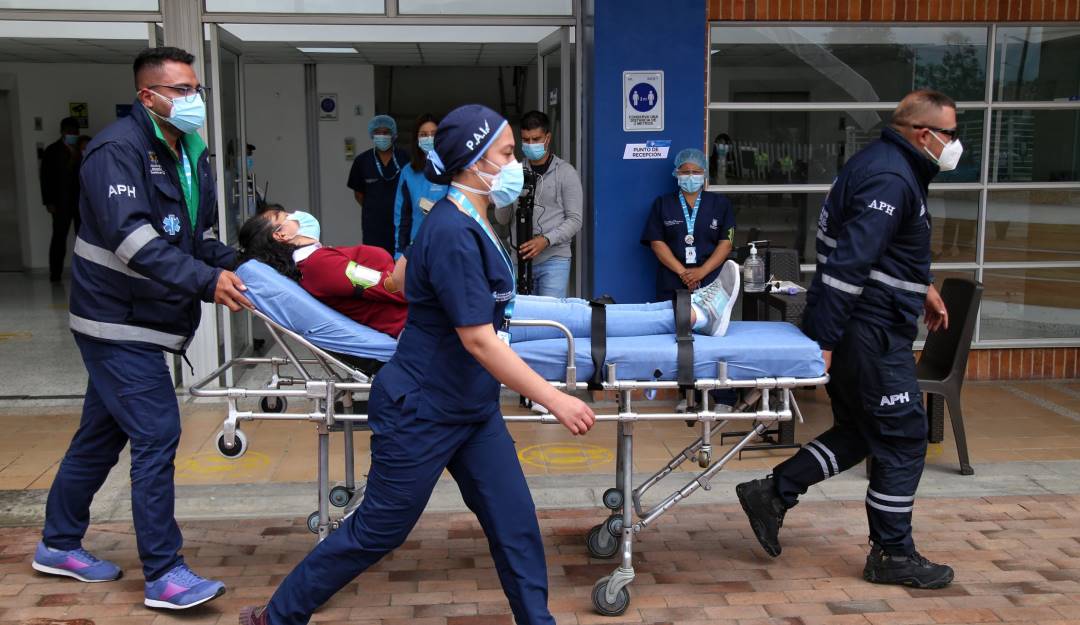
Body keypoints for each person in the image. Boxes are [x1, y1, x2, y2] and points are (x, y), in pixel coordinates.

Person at [239, 104, 596, 625]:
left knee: (514, 521)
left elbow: (403, 283)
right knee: (378, 531)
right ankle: (276, 617)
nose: (516, 161)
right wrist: (555, 397)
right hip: (422, 409)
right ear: (475, 162)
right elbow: (479, 341)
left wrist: (407, 272)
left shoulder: (458, 218)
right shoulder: (453, 230)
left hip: (471, 407)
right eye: (506, 153)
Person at [32, 46, 251, 610]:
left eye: (195, 89)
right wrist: (207, 283)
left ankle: (57, 544)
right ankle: (163, 573)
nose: (193, 100)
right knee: (156, 432)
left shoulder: (189, 151)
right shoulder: (115, 151)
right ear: (147, 96)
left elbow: (192, 238)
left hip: (145, 317)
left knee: (100, 436)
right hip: (114, 318)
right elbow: (134, 243)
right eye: (180, 91)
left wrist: (251, 265)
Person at [735, 89, 957, 589]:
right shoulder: (891, 177)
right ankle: (892, 553)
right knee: (901, 438)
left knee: (861, 431)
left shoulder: (888, 167)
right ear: (925, 135)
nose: (954, 145)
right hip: (869, 331)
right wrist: (826, 340)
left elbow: (883, 249)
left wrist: (923, 285)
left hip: (867, 326)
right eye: (951, 135)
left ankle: (773, 492)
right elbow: (847, 266)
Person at [236, 207, 739, 341]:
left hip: (455, 306)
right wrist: (425, 246)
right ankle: (693, 315)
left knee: (577, 311)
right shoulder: (321, 267)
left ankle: (690, 309)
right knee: (578, 318)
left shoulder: (320, 263)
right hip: (452, 315)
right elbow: (394, 287)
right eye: (285, 218)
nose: (296, 218)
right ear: (282, 237)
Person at [494, 110, 582, 298]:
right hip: (520, 259)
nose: (531, 144)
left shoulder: (566, 172)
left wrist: (546, 239)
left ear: (547, 138)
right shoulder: (514, 172)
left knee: (550, 317)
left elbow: (575, 219)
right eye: (526, 140)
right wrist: (503, 193)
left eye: (536, 139)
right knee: (522, 317)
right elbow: (502, 221)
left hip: (554, 258)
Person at [642, 147, 736, 302]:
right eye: (685, 172)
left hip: (711, 282)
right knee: (672, 324)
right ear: (677, 174)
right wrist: (684, 273)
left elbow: (726, 244)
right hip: (672, 281)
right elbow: (657, 243)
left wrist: (702, 271)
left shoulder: (721, 204)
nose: (691, 176)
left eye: (697, 172)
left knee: (709, 325)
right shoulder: (663, 203)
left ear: (704, 174)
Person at [347, 114, 408, 255]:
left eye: (386, 132)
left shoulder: (405, 158)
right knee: (375, 262)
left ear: (393, 134)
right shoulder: (362, 161)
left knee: (400, 262)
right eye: (378, 133)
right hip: (373, 226)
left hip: (401, 223)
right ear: (372, 135)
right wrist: (376, 208)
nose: (382, 136)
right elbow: (358, 194)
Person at [391, 112, 445, 256]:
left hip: (448, 244)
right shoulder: (408, 172)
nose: (429, 138)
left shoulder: (452, 169)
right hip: (417, 247)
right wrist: (399, 252)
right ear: (417, 139)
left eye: (434, 133)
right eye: (424, 134)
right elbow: (402, 217)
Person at [39, 116, 83, 283]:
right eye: (70, 132)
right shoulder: (52, 150)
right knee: (59, 238)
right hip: (60, 203)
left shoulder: (82, 149)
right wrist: (48, 201)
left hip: (80, 202)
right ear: (63, 132)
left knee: (83, 239)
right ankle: (55, 274)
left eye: (76, 132)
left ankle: (84, 273)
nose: (73, 135)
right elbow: (45, 178)